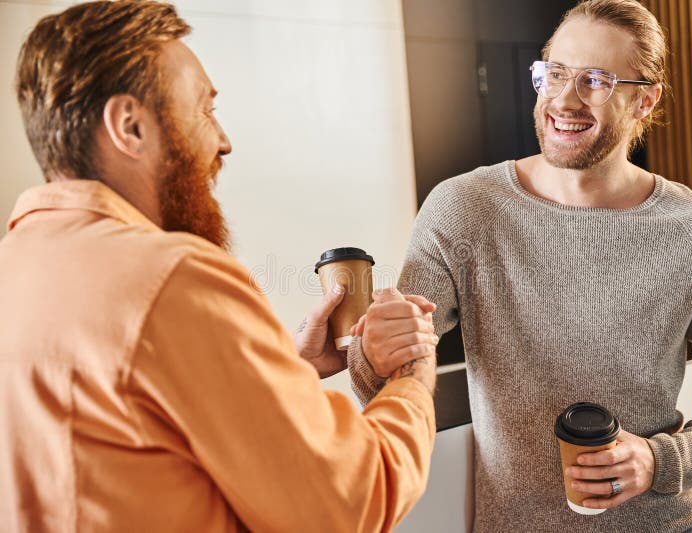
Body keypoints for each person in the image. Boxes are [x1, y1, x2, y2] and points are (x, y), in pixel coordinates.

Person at [0, 1, 439, 531]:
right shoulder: (172, 278)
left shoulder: (17, 267)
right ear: (129, 126)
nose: (224, 141)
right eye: (205, 110)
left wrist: (288, 372)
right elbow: (355, 499)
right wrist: (411, 378)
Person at [349, 0, 692, 531]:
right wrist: (370, 349)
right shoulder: (463, 208)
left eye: (595, 80)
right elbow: (392, 375)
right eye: (554, 74)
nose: (564, 100)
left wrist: (659, 461)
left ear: (645, 100)